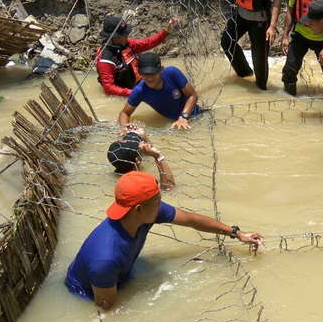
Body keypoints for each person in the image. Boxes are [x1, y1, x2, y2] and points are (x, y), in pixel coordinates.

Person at [65, 171, 262, 309]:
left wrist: (237, 233)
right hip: (87, 293)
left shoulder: (140, 213)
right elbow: (105, 309)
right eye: (157, 201)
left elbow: (192, 220)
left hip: (119, 272)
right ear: (138, 209)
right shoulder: (105, 258)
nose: (161, 205)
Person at [96, 15, 178, 97]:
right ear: (114, 37)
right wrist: (135, 93)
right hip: (127, 92)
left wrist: (166, 32)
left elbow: (147, 43)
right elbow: (109, 88)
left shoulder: (126, 43)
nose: (127, 36)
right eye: (124, 34)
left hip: (139, 83)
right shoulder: (105, 59)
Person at [118, 53, 200, 131]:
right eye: (146, 74)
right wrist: (125, 128)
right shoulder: (139, 91)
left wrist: (183, 117)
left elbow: (193, 95)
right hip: (171, 124)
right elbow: (124, 113)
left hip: (196, 116)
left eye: (153, 73)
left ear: (161, 69)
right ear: (139, 73)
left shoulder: (172, 73)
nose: (150, 78)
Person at [107, 125, 175, 189]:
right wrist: (158, 157)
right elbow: (168, 187)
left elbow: (148, 152)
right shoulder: (141, 182)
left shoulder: (117, 179)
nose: (143, 144)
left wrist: (145, 138)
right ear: (137, 161)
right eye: (141, 145)